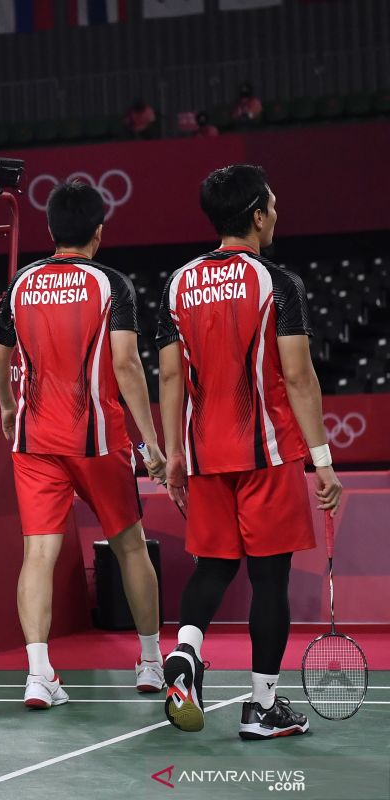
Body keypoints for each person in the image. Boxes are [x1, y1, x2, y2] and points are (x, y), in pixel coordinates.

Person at [156, 164, 342, 740]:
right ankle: (262, 707)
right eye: (274, 205)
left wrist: (174, 457)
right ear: (257, 215)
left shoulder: (179, 282)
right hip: (266, 453)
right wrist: (323, 458)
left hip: (205, 453)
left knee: (212, 568)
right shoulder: (276, 282)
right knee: (268, 582)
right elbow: (299, 374)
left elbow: (167, 377)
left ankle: (185, 654)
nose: (278, 214)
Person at [0, 181, 168, 709]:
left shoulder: (20, 283)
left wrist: (5, 406)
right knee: (129, 545)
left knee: (38, 554)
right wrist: (151, 442)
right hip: (98, 439)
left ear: (50, 231)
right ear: (98, 233)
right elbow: (127, 364)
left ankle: (39, 674)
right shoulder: (109, 283)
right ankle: (152, 663)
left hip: (34, 437)